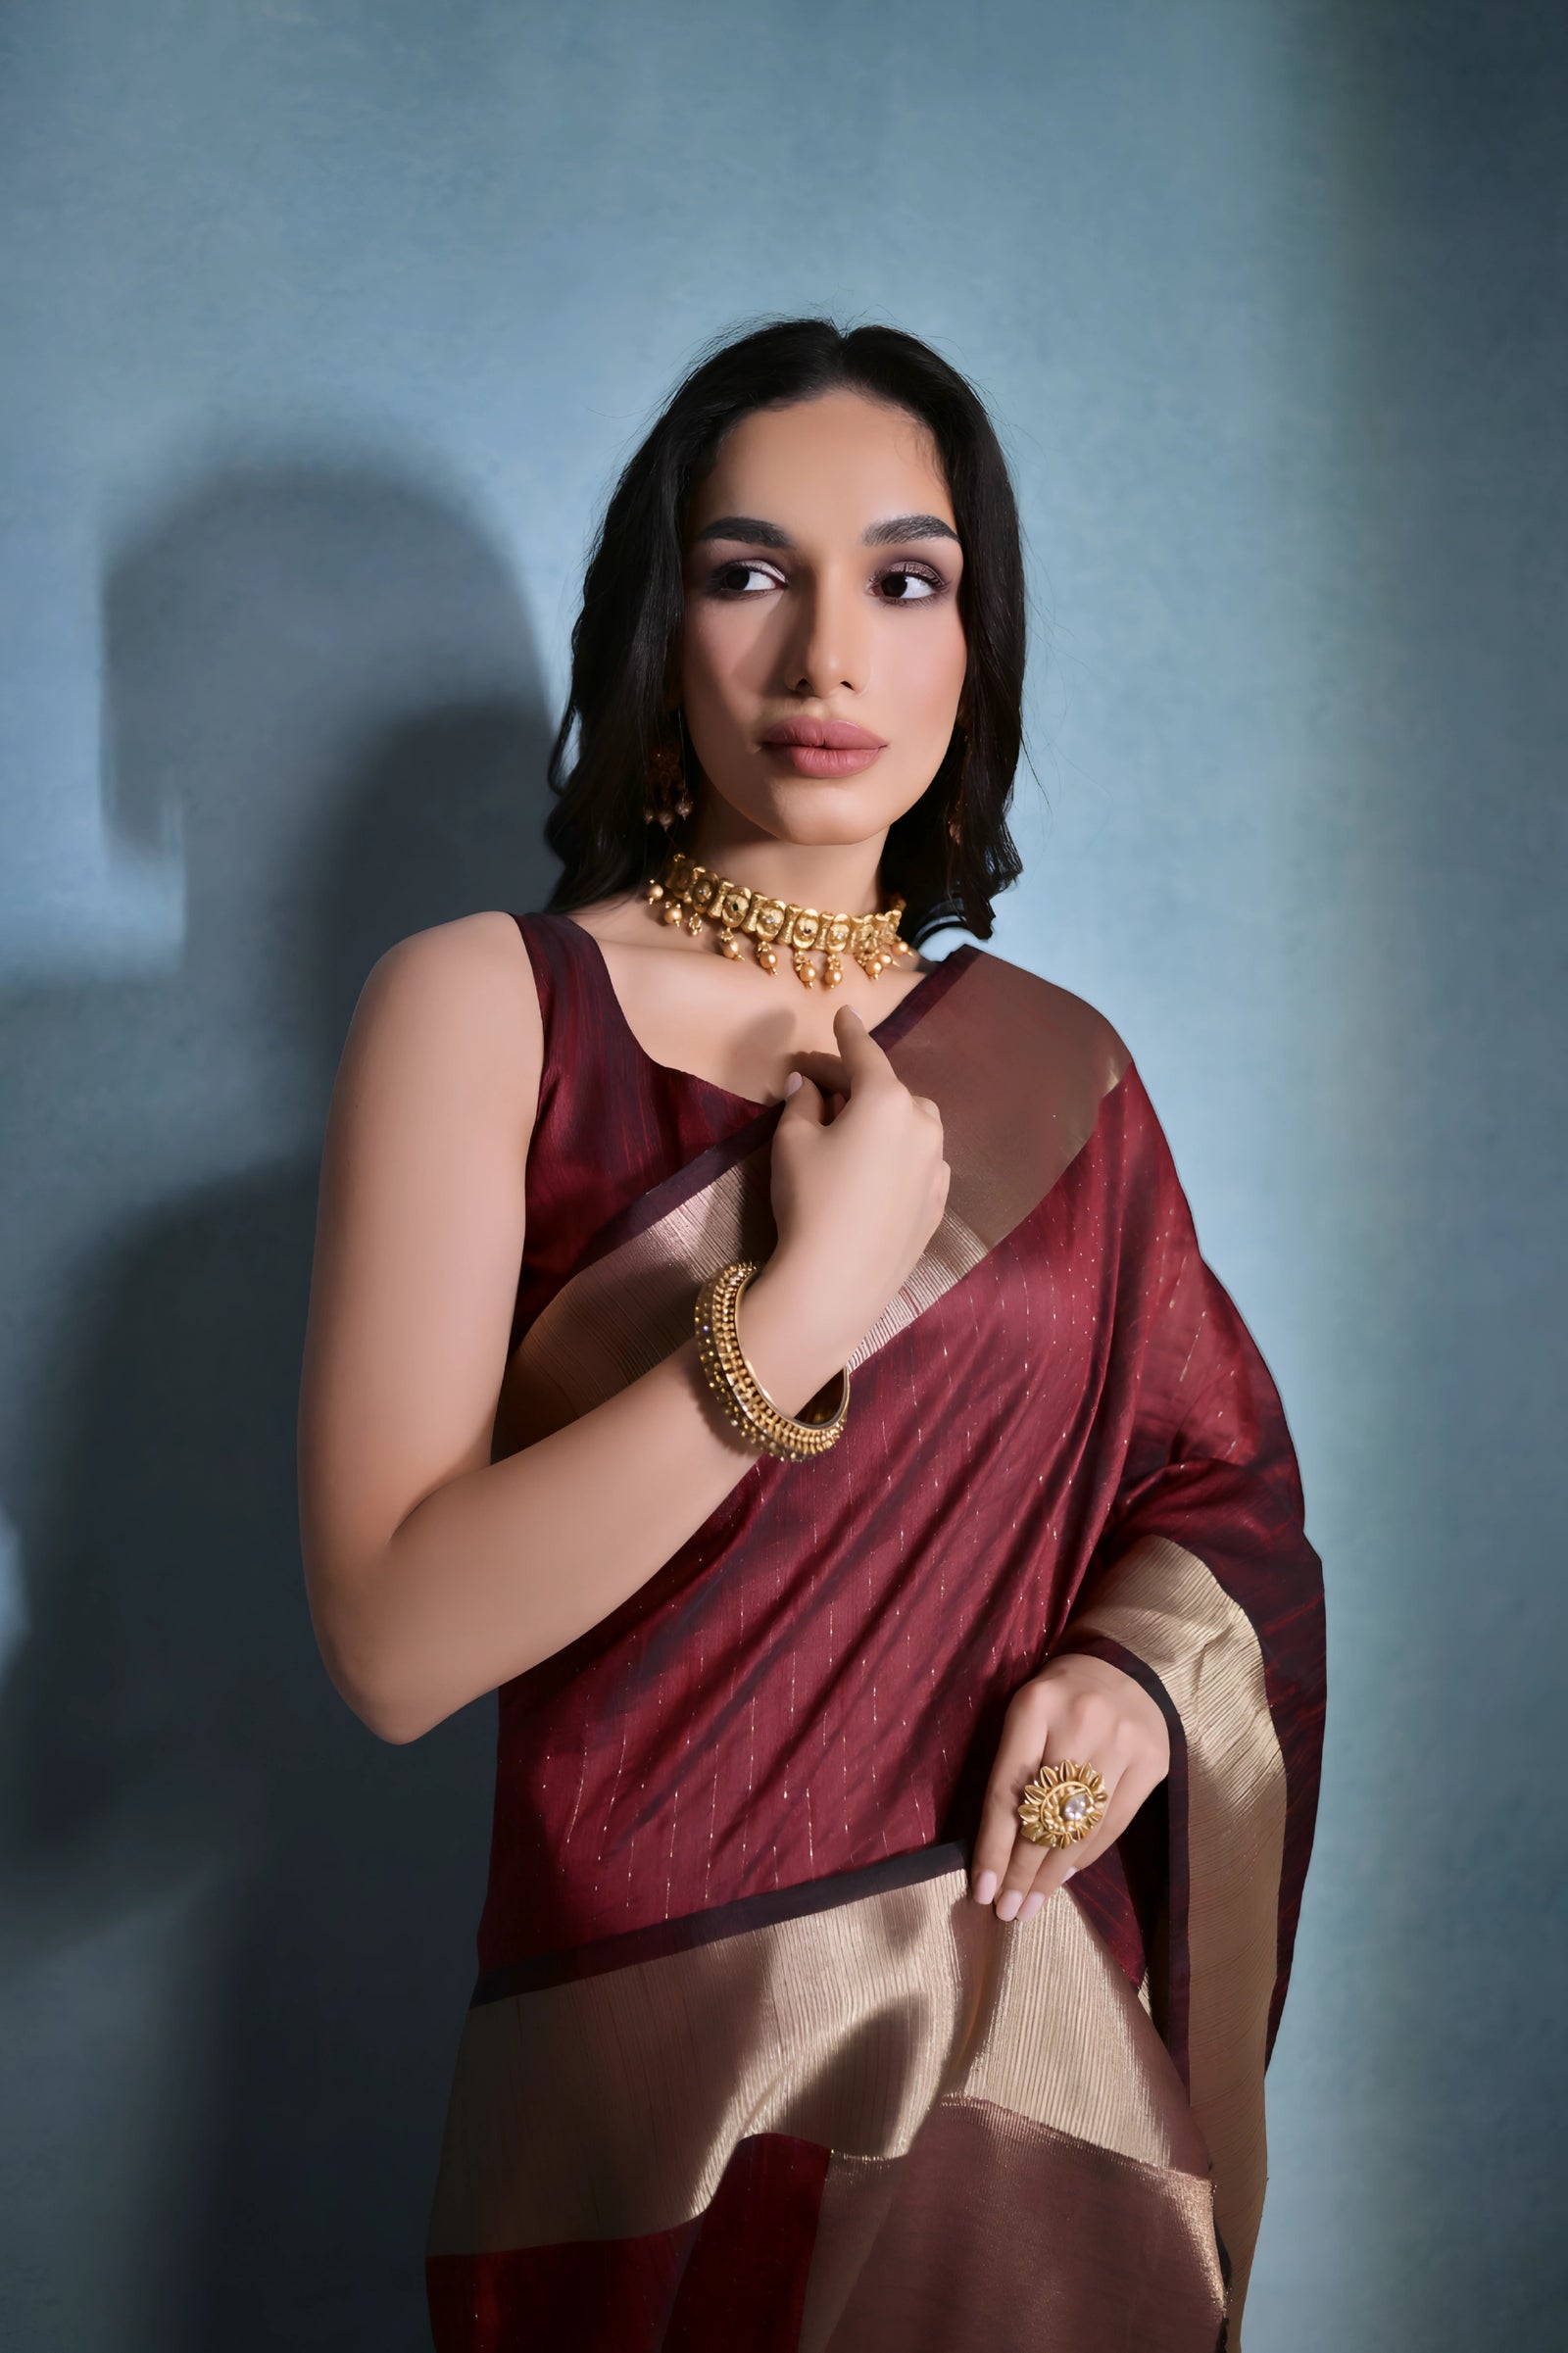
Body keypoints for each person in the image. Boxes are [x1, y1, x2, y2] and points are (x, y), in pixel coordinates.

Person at [298, 319, 1325, 2353]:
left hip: (1029, 2059)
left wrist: (1132, 1673)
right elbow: (393, 1640)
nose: (826, 654)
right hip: (647, 2077)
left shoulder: (1065, 1073)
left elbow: (1218, 1486)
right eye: (749, 570)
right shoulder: (488, 1008)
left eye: (905, 579)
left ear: (975, 643)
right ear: (659, 623)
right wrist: (796, 1310)